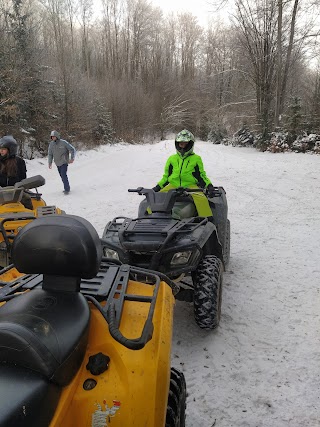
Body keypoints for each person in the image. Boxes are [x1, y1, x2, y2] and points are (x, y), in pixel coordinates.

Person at [152, 129, 215, 218]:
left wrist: (209, 186)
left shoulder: (196, 159)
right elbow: (166, 177)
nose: (182, 147)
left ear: (190, 144)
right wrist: (157, 188)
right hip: (173, 185)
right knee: (155, 200)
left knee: (202, 200)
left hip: (191, 186)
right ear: (177, 144)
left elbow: (201, 175)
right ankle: (148, 219)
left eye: (185, 144)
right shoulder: (172, 159)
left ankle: (207, 221)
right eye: (181, 144)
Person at [0, 135, 33, 209]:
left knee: (27, 199)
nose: (1, 151)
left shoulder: (20, 162)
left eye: (3, 149)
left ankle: (31, 218)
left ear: (11, 150)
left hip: (16, 192)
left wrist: (21, 186)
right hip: (1, 192)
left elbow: (23, 179)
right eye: (0, 149)